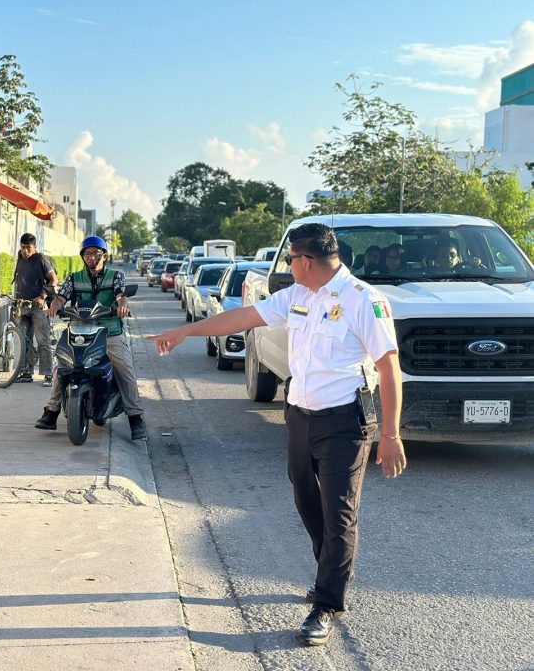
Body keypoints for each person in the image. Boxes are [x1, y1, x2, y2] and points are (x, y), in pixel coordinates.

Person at [147, 223, 406, 647]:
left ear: (307, 260)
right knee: (305, 497)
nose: (287, 267)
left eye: (290, 259)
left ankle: (327, 602)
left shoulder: (363, 299)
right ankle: (330, 569)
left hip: (344, 422)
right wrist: (186, 331)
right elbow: (243, 317)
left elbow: (388, 366)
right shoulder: (298, 295)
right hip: (300, 415)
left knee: (339, 512)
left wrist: (391, 434)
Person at [35, 236, 147, 441]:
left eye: (96, 253)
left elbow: (121, 295)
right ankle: (51, 411)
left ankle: (135, 417)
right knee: (62, 366)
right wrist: (55, 306)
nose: (91, 257)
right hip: (80, 331)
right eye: (87, 254)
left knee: (125, 369)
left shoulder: (116, 276)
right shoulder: (74, 278)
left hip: (109, 332)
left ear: (104, 256)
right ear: (82, 257)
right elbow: (62, 296)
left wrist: (122, 305)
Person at [13, 233, 59, 385]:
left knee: (43, 341)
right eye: (23, 247)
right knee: (24, 340)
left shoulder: (40, 259)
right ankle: (26, 372)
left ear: (35, 247)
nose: (25, 251)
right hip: (23, 306)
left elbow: (54, 280)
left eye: (28, 248)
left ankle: (48, 375)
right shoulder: (20, 258)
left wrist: (42, 297)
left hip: (39, 307)